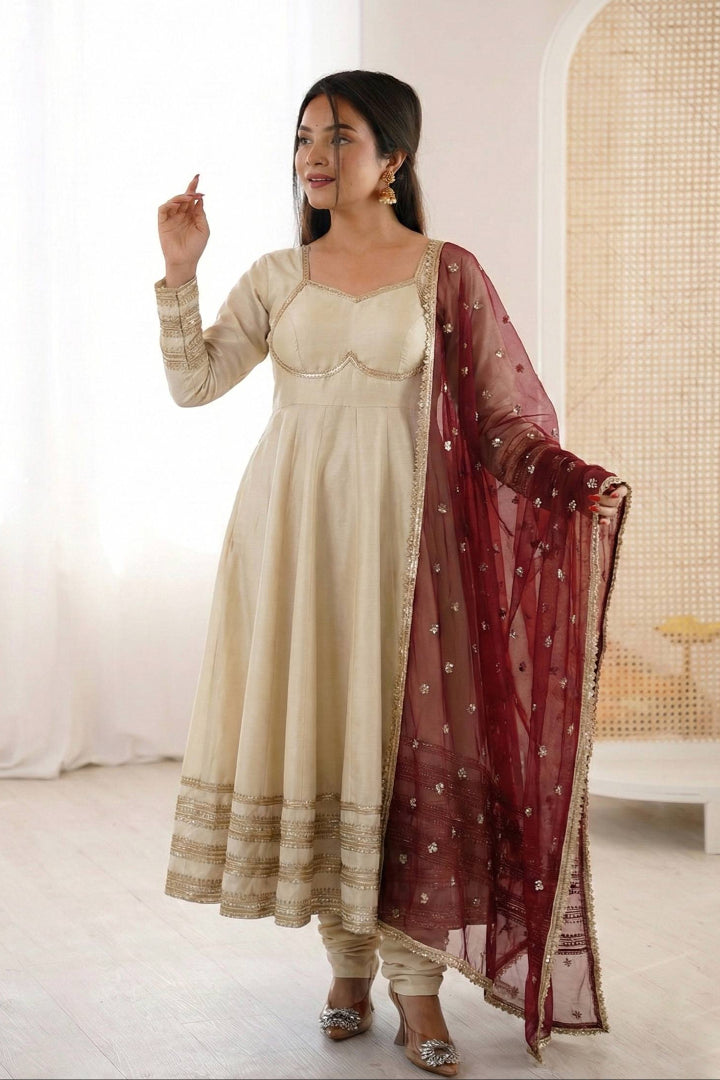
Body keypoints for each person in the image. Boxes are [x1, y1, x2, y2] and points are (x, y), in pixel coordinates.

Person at [155, 70, 629, 1075]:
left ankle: (418, 990)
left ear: (394, 160)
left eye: (339, 137)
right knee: (328, 738)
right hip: (291, 541)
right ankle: (346, 969)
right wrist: (181, 270)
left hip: (409, 543)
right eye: (304, 138)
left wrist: (565, 479)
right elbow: (194, 383)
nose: (315, 157)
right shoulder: (278, 276)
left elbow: (501, 420)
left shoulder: (444, 273)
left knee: (406, 749)